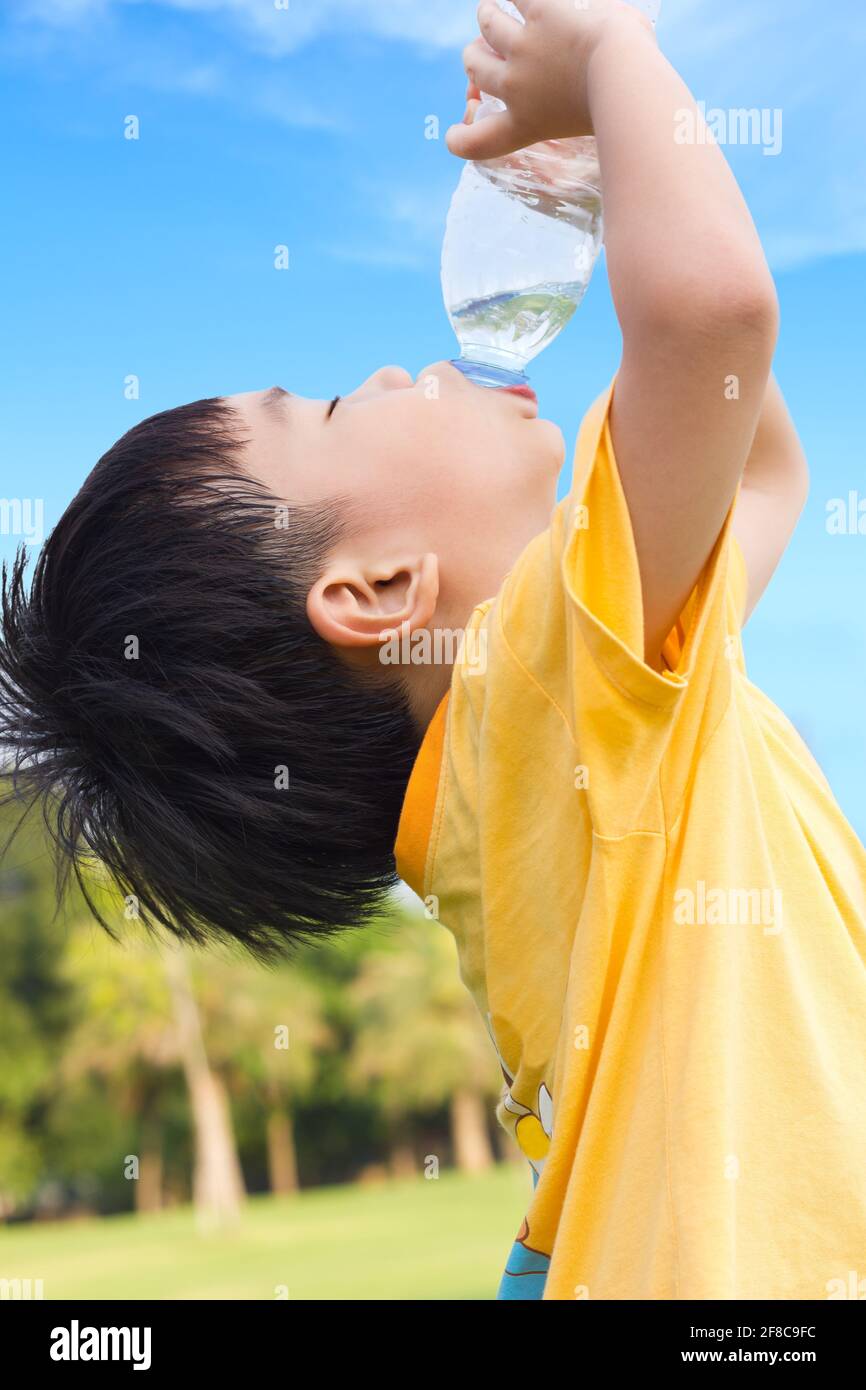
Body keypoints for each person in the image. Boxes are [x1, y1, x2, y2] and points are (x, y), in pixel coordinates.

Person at [2, 0, 864, 1298]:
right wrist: (608, 68)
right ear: (375, 589)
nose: (400, 369)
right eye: (338, 406)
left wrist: (608, 186)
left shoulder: (549, 751)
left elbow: (757, 480)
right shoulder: (541, 676)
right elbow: (713, 320)